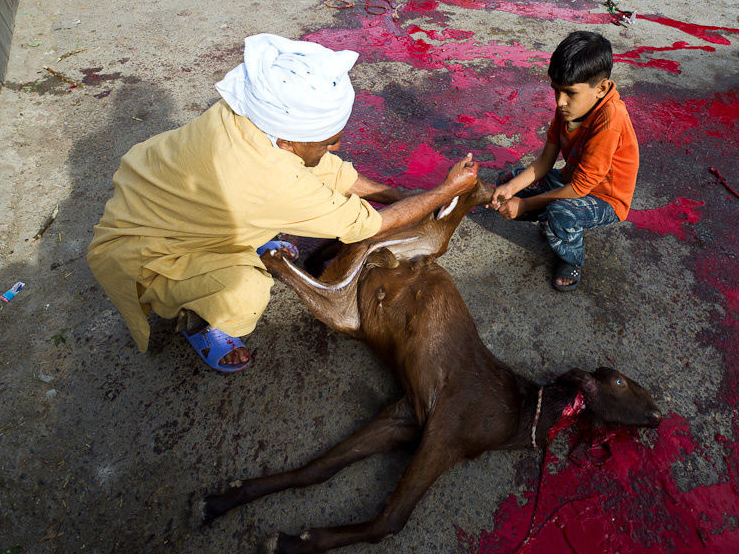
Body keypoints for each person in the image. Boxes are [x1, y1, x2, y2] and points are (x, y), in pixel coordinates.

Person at [87, 34, 477, 372]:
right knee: (245, 295)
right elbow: (365, 226)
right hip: (149, 252)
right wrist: (443, 192)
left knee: (300, 185)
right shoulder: (271, 178)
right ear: (289, 140)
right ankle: (201, 324)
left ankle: (242, 244)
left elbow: (329, 170)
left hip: (166, 201)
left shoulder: (251, 114)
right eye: (326, 140)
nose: (336, 147)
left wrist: (404, 198)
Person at [489, 31, 639, 291]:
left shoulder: (610, 120)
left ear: (601, 88)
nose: (560, 102)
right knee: (507, 179)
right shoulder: (569, 109)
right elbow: (545, 161)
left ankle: (572, 258)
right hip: (572, 181)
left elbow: (579, 190)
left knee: (561, 213)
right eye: (556, 91)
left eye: (569, 93)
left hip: (605, 198)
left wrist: (524, 204)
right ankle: (548, 218)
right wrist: (512, 190)